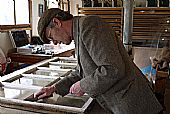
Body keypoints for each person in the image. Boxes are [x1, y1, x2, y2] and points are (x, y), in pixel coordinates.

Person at [35, 8, 163, 114]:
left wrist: (83, 86)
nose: (55, 42)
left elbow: (112, 68)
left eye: (51, 37)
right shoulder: (79, 33)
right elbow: (81, 72)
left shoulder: (89, 25)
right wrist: (54, 88)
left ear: (57, 22)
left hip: (135, 105)